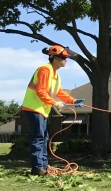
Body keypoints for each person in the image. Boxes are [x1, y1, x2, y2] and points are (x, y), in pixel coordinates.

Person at [21, 45, 84, 176]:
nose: (66, 60)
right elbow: (41, 91)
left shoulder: (55, 74)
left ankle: (43, 166)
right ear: (55, 58)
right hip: (34, 107)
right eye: (64, 58)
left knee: (44, 137)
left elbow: (59, 91)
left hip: (42, 109)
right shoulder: (45, 69)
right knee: (39, 137)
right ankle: (38, 168)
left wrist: (72, 100)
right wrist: (55, 103)